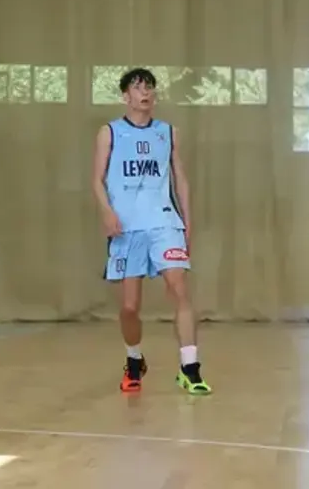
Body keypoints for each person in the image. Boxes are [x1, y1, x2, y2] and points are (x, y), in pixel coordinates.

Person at [92, 68, 209, 395]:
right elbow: (96, 180)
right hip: (127, 228)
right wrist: (107, 211)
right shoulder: (110, 133)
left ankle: (190, 369)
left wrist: (187, 221)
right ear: (125, 96)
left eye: (149, 88)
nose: (145, 93)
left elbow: (180, 179)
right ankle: (134, 360)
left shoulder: (167, 132)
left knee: (179, 289)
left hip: (164, 223)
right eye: (138, 87)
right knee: (130, 307)